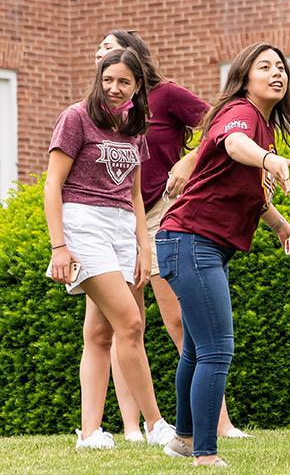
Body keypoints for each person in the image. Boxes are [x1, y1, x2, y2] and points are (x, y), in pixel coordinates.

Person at [155, 41, 290, 467]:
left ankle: (184, 439)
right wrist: (268, 159)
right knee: (217, 349)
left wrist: (282, 228)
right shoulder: (242, 114)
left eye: (281, 67)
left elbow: (249, 195)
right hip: (191, 241)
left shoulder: (261, 123)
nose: (277, 73)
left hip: (191, 243)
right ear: (245, 77)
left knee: (196, 349)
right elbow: (234, 144)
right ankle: (205, 453)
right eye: (265, 67)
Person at [94, 30, 248, 441]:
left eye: (107, 49)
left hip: (162, 212)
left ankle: (219, 422)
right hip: (116, 218)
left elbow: (217, 126)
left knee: (181, 319)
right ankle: (136, 426)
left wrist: (191, 159)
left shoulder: (167, 95)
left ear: (133, 56)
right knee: (126, 325)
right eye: (100, 55)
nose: (101, 57)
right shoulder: (101, 111)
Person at [44, 48, 176, 450]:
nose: (114, 89)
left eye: (124, 82)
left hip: (123, 227)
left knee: (100, 333)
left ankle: (89, 433)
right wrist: (59, 247)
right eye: (108, 80)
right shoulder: (76, 117)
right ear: (98, 79)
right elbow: (52, 185)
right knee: (131, 324)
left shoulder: (136, 128)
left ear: (138, 87)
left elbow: (135, 195)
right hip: (84, 223)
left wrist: (143, 246)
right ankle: (156, 425)